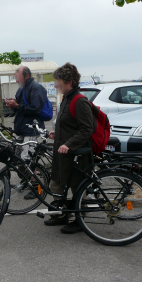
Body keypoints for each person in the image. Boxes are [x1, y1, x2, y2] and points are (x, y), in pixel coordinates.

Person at [46, 63, 95, 234]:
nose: (55, 85)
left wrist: (68, 144)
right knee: (57, 183)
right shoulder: (66, 98)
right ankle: (61, 215)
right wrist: (57, 134)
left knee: (77, 187)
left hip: (76, 155)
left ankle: (79, 221)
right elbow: (69, 125)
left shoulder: (79, 101)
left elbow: (87, 129)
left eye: (57, 81)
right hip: (63, 153)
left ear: (68, 81)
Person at [5, 65, 49, 200]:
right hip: (22, 129)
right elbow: (19, 108)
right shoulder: (21, 89)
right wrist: (13, 105)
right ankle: (26, 181)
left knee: (27, 159)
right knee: (18, 159)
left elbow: (36, 108)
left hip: (32, 129)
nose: (15, 76)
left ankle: (37, 187)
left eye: (17, 73)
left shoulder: (37, 88)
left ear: (27, 75)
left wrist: (17, 106)